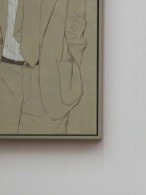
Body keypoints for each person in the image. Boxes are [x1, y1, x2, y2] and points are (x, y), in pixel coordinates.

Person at [0, 0, 87, 134]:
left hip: (49, 82)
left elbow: (76, 23)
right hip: (5, 75)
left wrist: (70, 62)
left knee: (47, 152)